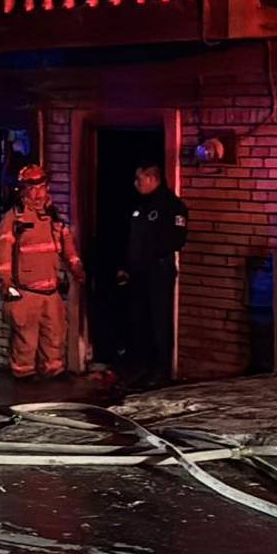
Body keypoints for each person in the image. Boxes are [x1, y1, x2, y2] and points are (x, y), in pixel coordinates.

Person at [0, 164, 86, 380]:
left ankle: (53, 374)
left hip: (51, 292)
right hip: (25, 292)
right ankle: (24, 380)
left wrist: (77, 268)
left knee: (54, 336)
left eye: (41, 187)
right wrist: (7, 284)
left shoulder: (53, 217)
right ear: (23, 190)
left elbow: (68, 248)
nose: (37, 193)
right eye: (32, 189)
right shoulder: (13, 220)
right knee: (25, 339)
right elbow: (3, 257)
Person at [117, 163, 188, 389]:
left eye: (140, 179)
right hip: (138, 272)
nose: (136, 184)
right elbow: (131, 239)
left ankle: (161, 370)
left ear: (153, 179)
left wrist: (150, 256)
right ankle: (142, 366)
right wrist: (126, 266)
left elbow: (175, 240)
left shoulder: (171, 206)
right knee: (139, 320)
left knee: (158, 320)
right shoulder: (139, 205)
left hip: (158, 271)